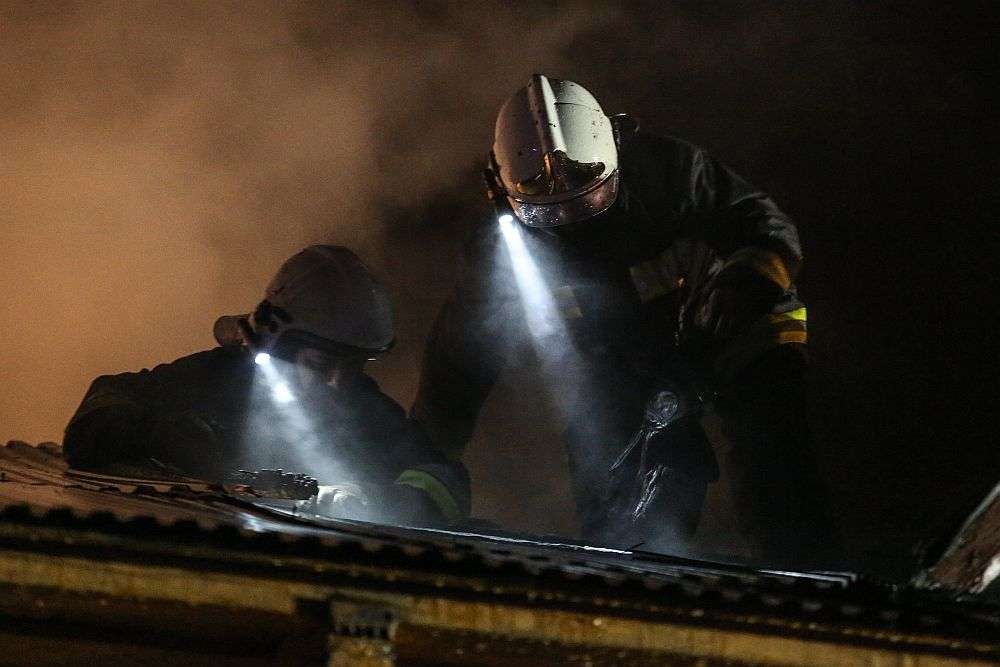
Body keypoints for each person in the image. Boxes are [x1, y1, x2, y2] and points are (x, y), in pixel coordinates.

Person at [412, 74, 837, 563]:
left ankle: (807, 570)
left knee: (773, 458)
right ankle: (628, 572)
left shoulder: (671, 171)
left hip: (737, 325)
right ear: (500, 189)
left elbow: (764, 225)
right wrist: (422, 460)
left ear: (616, 148)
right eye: (547, 212)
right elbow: (460, 362)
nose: (573, 222)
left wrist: (745, 287)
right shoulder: (500, 251)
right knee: (614, 475)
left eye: (588, 198)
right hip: (625, 357)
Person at [64, 245, 468, 527]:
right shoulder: (216, 379)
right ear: (279, 345)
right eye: (320, 364)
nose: (336, 382)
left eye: (352, 366)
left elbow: (444, 477)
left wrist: (395, 500)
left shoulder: (364, 409)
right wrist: (155, 434)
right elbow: (99, 407)